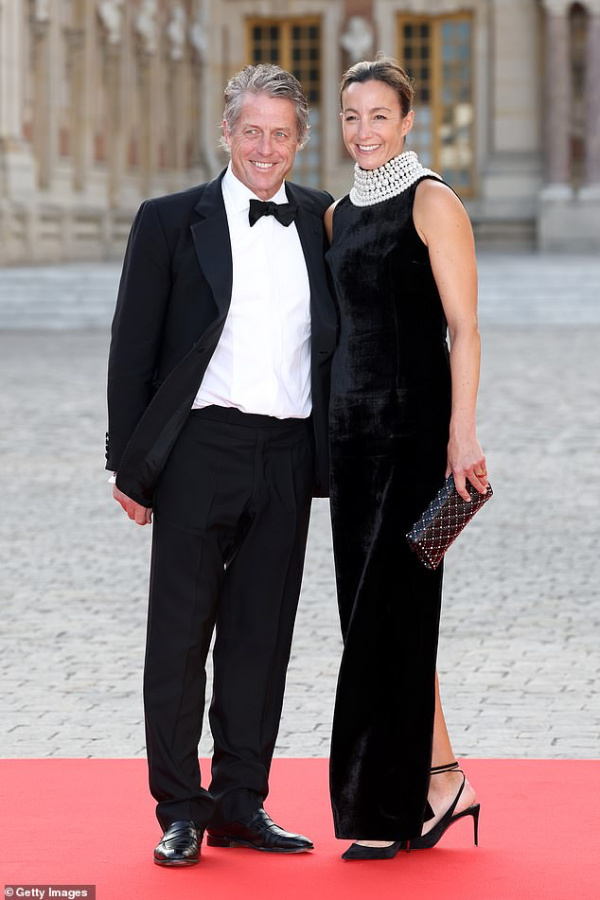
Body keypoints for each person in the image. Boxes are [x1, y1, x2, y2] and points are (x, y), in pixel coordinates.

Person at [106, 64, 337, 866]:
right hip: (199, 448)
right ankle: (179, 807)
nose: (265, 147)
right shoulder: (170, 221)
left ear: (300, 142)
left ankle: (242, 802)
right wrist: (128, 467)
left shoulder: (321, 220)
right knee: (179, 637)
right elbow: (131, 349)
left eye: (281, 134)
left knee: (259, 638)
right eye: (252, 131)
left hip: (288, 456)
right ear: (227, 133)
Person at [324, 57, 488, 860]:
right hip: (350, 445)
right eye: (351, 116)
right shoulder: (337, 218)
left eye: (378, 116)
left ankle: (391, 806)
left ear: (407, 121)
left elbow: (465, 327)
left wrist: (463, 432)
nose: (363, 132)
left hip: (413, 439)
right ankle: (447, 778)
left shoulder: (433, 202)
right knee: (373, 622)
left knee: (392, 617)